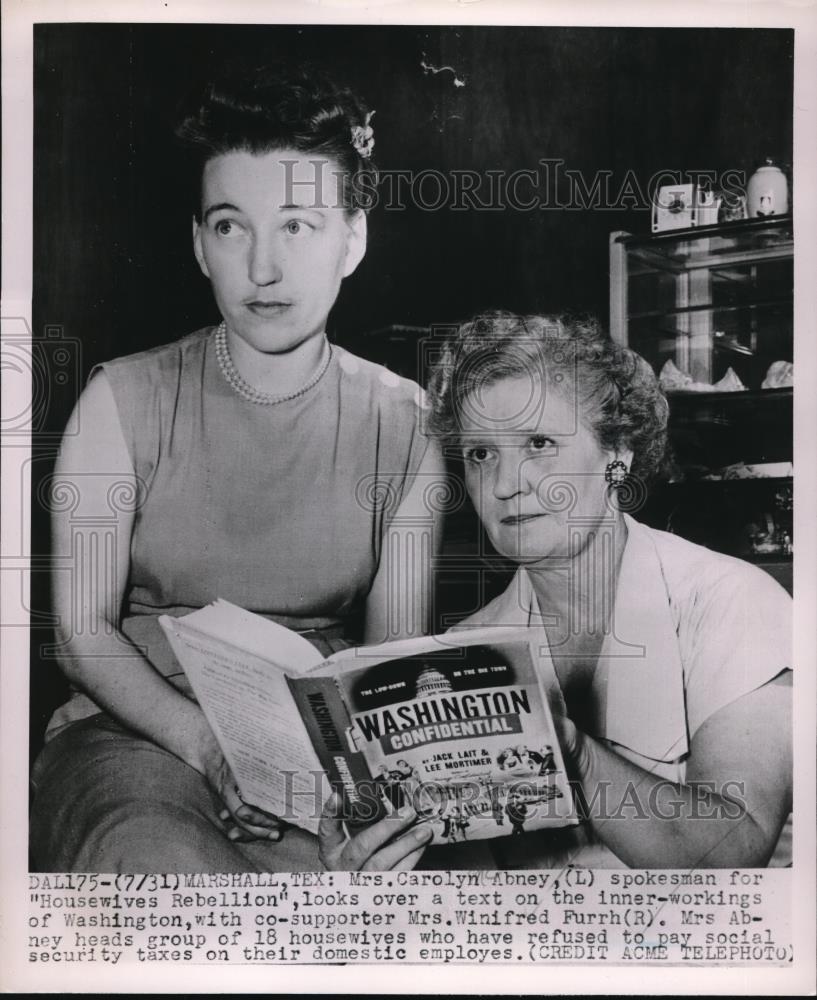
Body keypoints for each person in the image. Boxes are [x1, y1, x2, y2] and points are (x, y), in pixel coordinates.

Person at [30, 62, 442, 873]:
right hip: (137, 735)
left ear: (352, 240)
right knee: (162, 875)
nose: (262, 267)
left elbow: (389, 660)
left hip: (316, 762)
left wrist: (362, 807)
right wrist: (209, 747)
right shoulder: (122, 397)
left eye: (297, 226)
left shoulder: (406, 420)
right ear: (198, 245)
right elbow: (80, 635)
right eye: (230, 226)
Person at [421, 310, 792, 869]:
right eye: (481, 453)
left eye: (540, 442)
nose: (503, 484)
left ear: (616, 456)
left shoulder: (733, 603)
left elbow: (733, 853)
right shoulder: (465, 650)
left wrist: (569, 750)